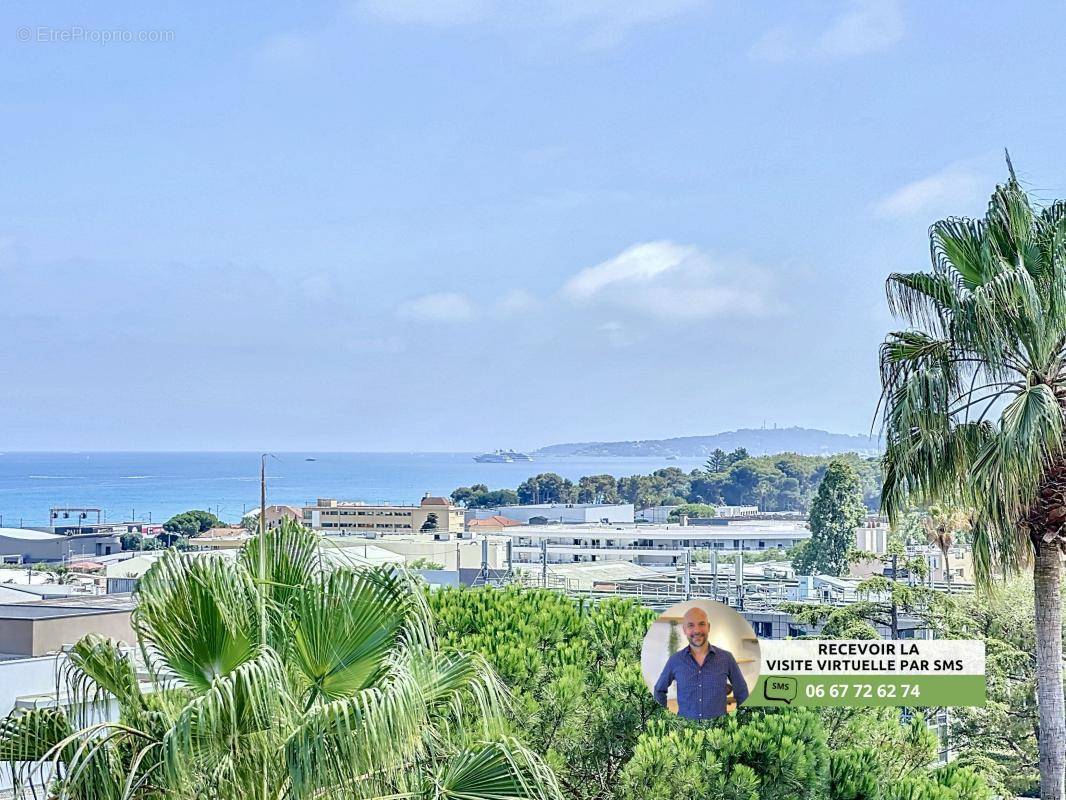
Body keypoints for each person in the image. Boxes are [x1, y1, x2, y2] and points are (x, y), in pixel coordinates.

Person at [653, 606, 749, 719]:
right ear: (684, 630)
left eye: (702, 624)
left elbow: (742, 691)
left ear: (708, 627)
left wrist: (739, 720)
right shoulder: (675, 660)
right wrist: (665, 719)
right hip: (686, 731)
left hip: (719, 731)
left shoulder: (726, 658)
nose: (697, 630)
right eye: (691, 625)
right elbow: (659, 691)